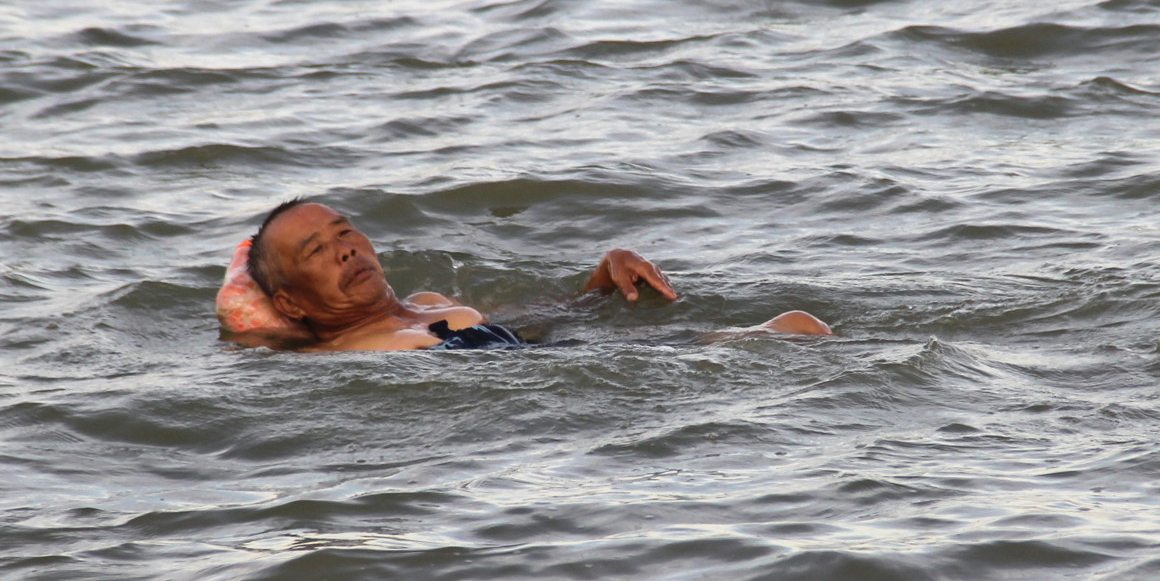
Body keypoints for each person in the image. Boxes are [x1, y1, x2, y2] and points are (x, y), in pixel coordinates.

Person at [221, 199, 830, 351]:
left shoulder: (428, 302)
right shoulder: (344, 355)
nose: (345, 250)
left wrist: (602, 275)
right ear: (293, 305)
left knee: (802, 328)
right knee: (797, 330)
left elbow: (546, 325)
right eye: (316, 252)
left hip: (566, 360)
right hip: (571, 389)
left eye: (346, 232)